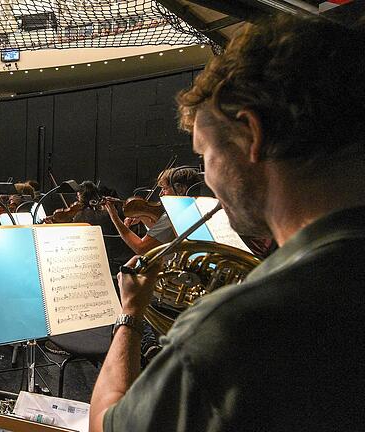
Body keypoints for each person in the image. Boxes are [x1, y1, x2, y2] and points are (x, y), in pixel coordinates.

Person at [90, 15, 365, 432]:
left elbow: (106, 424)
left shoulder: (236, 328)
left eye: (204, 155)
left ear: (251, 134)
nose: (208, 179)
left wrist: (130, 313)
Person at [105, 167, 199, 255]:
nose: (161, 193)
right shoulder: (196, 207)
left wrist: (114, 217)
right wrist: (142, 215)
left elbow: (140, 248)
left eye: (165, 188)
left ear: (181, 189)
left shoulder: (174, 215)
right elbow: (162, 235)